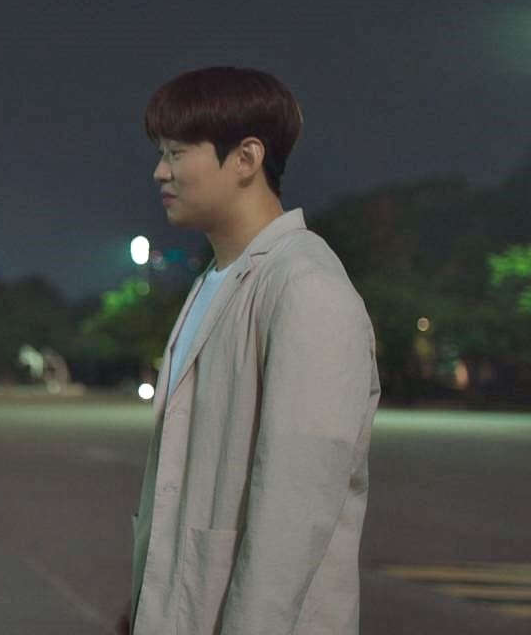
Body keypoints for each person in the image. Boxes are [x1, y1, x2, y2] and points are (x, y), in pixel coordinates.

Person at [123, 67, 381, 634]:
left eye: (177, 152)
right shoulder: (215, 281)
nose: (160, 171)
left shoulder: (305, 287)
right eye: (161, 153)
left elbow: (294, 511)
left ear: (246, 158)